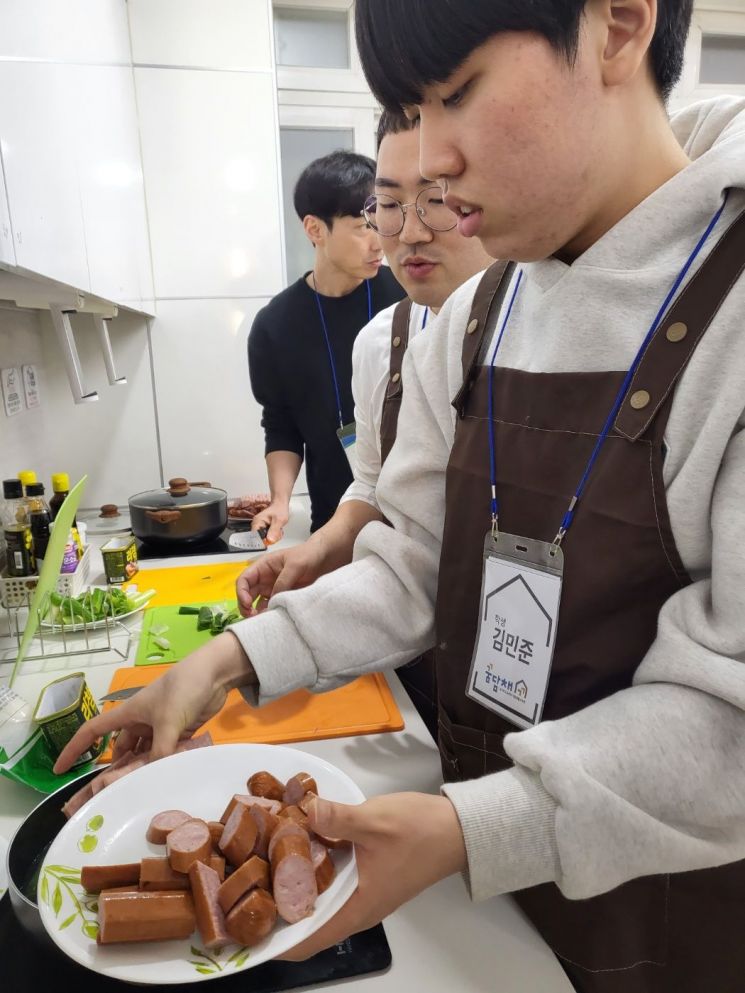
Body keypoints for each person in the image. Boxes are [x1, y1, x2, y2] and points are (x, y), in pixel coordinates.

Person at [56, 2, 745, 988]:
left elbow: (728, 719)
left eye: (454, 95)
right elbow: (418, 558)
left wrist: (472, 826)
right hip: (479, 867)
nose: (429, 158)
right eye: (409, 111)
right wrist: (229, 659)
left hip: (665, 915)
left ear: (620, 26)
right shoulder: (476, 315)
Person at [234, 109, 493, 738]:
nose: (398, 237)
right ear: (315, 230)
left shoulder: (421, 295)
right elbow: (366, 478)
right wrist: (303, 527)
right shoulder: (369, 333)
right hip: (373, 557)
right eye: (382, 210)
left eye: (433, 201)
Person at [245, 150, 404, 541]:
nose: (377, 242)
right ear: (315, 229)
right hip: (333, 528)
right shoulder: (275, 325)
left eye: (380, 222)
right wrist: (280, 501)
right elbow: (280, 425)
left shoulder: (407, 298)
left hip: (410, 522)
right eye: (361, 227)